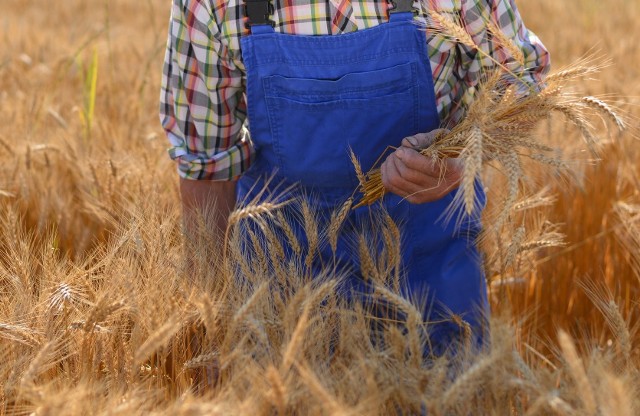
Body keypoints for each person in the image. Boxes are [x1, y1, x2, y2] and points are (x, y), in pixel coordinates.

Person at [160, 0, 550, 354]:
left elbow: (523, 83)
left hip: (432, 287)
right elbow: (206, 168)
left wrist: (459, 154)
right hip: (278, 299)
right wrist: (210, 328)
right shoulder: (210, 5)